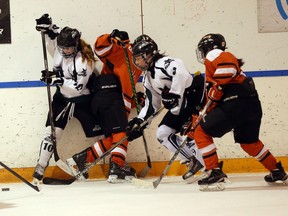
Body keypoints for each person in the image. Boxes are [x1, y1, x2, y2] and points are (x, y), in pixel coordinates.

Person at [193, 33, 288, 187]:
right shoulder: (222, 60)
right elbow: (218, 91)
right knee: (249, 142)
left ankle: (214, 171)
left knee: (200, 131)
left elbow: (227, 70)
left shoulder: (215, 53)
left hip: (235, 102)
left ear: (208, 48)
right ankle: (276, 170)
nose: (203, 54)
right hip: (251, 104)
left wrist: (218, 88)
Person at [32, 14, 103, 182]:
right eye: (62, 48)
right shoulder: (61, 45)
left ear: (76, 45)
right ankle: (39, 169)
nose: (64, 51)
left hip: (83, 101)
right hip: (62, 100)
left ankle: (84, 161)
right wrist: (46, 27)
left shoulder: (84, 61)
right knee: (51, 134)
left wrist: (57, 79)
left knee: (102, 136)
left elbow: (78, 87)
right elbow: (53, 32)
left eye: (68, 48)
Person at [126, 34, 206, 181]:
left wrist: (174, 93)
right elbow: (152, 104)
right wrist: (140, 121)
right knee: (163, 133)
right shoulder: (148, 79)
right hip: (178, 106)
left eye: (139, 57)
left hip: (192, 98)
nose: (137, 61)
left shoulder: (165, 63)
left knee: (190, 131)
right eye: (135, 58)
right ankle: (192, 160)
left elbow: (180, 71)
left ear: (150, 54)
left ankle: (210, 168)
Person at [70, 30, 143, 183]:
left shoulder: (137, 61)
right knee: (122, 133)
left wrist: (138, 100)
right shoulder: (123, 49)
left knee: (116, 136)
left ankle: (82, 158)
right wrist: (110, 37)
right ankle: (117, 165)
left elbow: (126, 88)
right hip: (109, 96)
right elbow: (100, 46)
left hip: (107, 98)